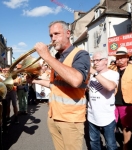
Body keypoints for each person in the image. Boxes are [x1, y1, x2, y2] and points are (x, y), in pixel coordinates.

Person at [29, 20, 90, 150]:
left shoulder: (80, 54)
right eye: (51, 35)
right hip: (54, 116)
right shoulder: (57, 58)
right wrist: (34, 81)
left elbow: (76, 80)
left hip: (70, 119)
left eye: (57, 34)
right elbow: (54, 85)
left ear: (68, 33)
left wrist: (47, 56)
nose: (53, 38)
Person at [88, 50, 119, 150]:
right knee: (94, 141)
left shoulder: (113, 74)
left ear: (105, 61)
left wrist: (94, 73)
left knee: (110, 144)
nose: (95, 63)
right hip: (92, 114)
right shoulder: (90, 75)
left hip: (107, 115)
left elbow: (110, 87)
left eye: (98, 60)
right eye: (93, 61)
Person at [114, 47, 132, 150]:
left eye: (122, 57)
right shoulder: (111, 68)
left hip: (127, 103)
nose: (119, 60)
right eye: (117, 57)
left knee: (126, 127)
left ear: (127, 58)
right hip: (112, 103)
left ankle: (125, 146)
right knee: (111, 125)